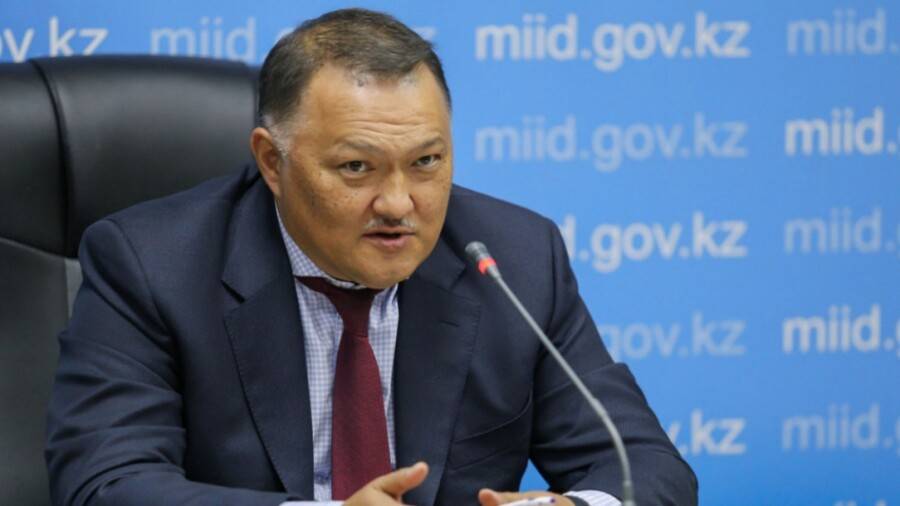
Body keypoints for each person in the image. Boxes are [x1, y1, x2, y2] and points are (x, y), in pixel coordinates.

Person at [45, 8, 697, 506]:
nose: (399, 203)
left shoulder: (514, 259)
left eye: (427, 162)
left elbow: (645, 466)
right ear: (272, 161)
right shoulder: (151, 265)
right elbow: (107, 483)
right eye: (357, 167)